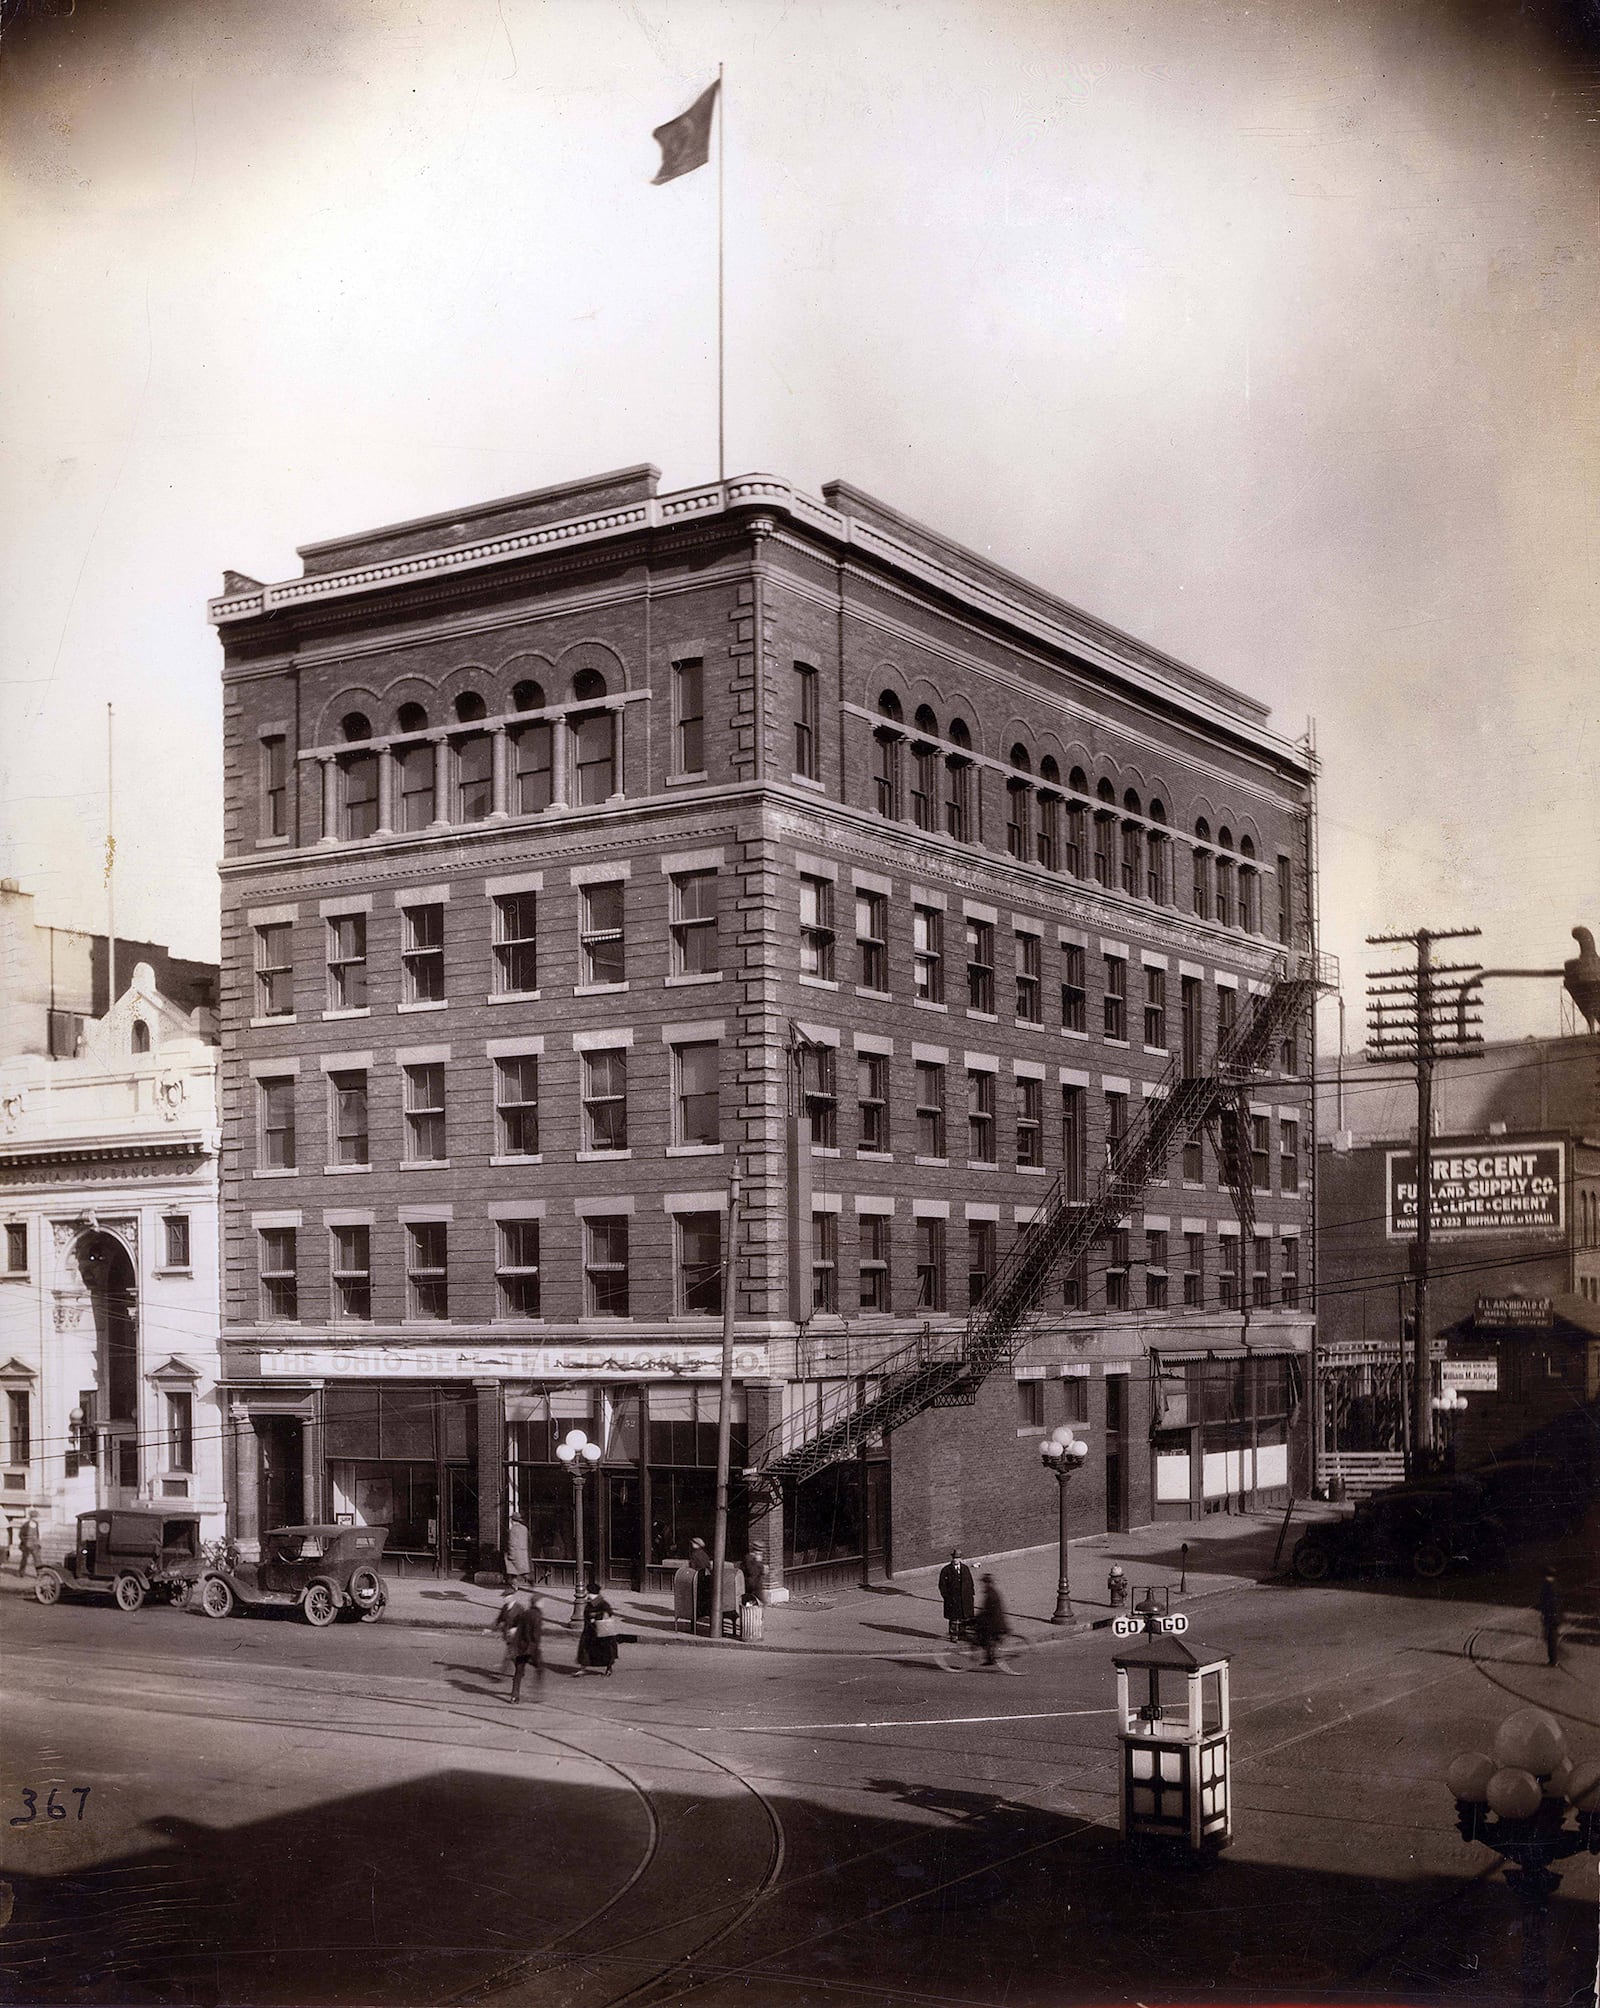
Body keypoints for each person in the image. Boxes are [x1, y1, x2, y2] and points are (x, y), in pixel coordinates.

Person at [488, 1579, 537, 1678]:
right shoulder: (505, 1608)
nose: (505, 1599)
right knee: (514, 1655)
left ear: (512, 1597)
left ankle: (502, 1674)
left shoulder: (519, 1608)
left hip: (518, 1635)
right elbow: (499, 1619)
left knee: (509, 1654)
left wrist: (516, 1629)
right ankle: (524, 1667)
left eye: (507, 1597)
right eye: (504, 1597)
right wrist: (490, 1629)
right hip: (508, 1635)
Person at [505, 1593, 544, 1703]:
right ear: (538, 1603)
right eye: (541, 1602)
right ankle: (536, 1693)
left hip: (520, 1647)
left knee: (518, 1672)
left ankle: (514, 1695)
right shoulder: (537, 1615)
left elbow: (517, 1628)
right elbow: (536, 1634)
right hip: (531, 1648)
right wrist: (537, 1646)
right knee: (540, 1668)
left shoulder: (524, 1613)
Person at [974, 1572, 1015, 1671]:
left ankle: (990, 1657)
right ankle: (991, 1653)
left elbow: (987, 1610)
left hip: (995, 1622)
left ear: (987, 1583)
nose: (982, 1585)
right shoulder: (991, 1592)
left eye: (984, 1583)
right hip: (996, 1620)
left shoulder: (990, 1594)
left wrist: (976, 1618)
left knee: (984, 1635)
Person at [576, 1581, 619, 1675]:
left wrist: (595, 1616)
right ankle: (583, 1668)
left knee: (603, 1650)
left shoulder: (602, 1603)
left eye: (589, 1593)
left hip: (600, 1631)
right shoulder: (592, 1602)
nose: (587, 1594)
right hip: (590, 1630)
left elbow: (608, 1613)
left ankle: (608, 1668)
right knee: (586, 1650)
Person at [937, 1550, 976, 1640]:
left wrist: (971, 1593)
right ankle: (953, 1635)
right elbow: (942, 1585)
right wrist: (946, 1596)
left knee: (964, 1616)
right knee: (954, 1618)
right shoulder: (946, 1570)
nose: (955, 1560)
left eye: (957, 1558)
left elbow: (970, 1581)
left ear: (960, 1559)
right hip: (953, 1598)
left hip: (965, 1597)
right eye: (954, 1558)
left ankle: (962, 1634)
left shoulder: (965, 1568)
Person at [687, 1536, 713, 1625]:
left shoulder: (694, 1555)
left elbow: (692, 1568)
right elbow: (709, 1567)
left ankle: (695, 1619)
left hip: (697, 1578)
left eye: (693, 1543)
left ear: (697, 1545)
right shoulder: (704, 1554)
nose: (692, 1544)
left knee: (697, 1599)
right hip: (706, 1579)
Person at [1538, 1568, 1561, 1668]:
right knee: (1552, 1639)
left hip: (1551, 1617)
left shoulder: (1548, 1587)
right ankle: (1553, 1660)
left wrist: (1544, 1614)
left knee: (1551, 1639)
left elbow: (1547, 1603)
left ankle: (1553, 1661)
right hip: (1555, 1617)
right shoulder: (1555, 1585)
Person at [16, 1513, 41, 1579]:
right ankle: (21, 1572)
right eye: (34, 1517)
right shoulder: (25, 1525)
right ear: (31, 1517)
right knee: (24, 1559)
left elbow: (37, 1533)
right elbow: (20, 1535)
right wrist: (25, 1541)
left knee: (37, 1559)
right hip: (27, 1544)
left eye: (36, 1517)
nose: (35, 1518)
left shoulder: (36, 1524)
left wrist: (37, 1541)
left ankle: (40, 1574)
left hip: (34, 1544)